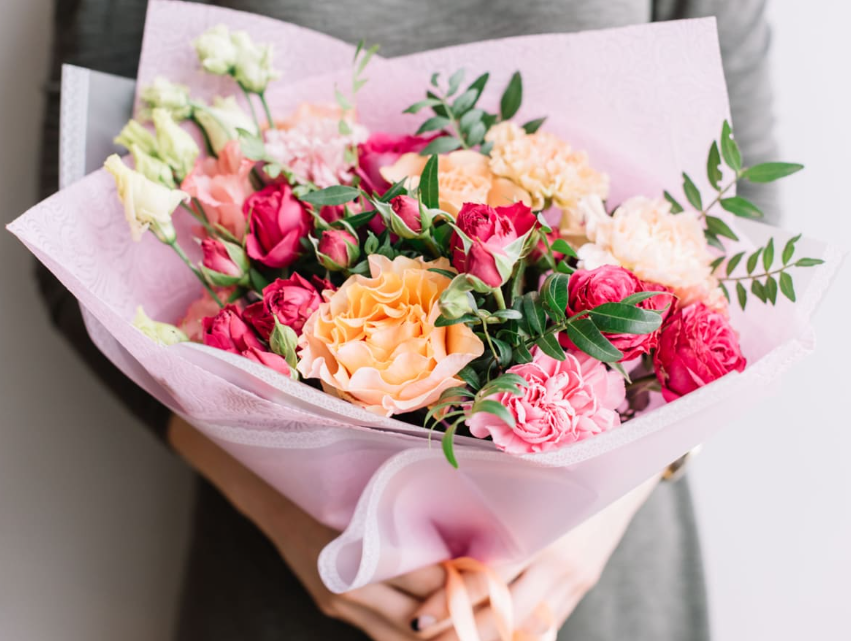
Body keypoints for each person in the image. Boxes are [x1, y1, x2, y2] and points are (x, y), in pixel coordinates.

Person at [36, 1, 779, 639]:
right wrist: (294, 523)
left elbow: (745, 250)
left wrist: (599, 517)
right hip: (292, 580)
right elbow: (79, 250)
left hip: (593, 578)